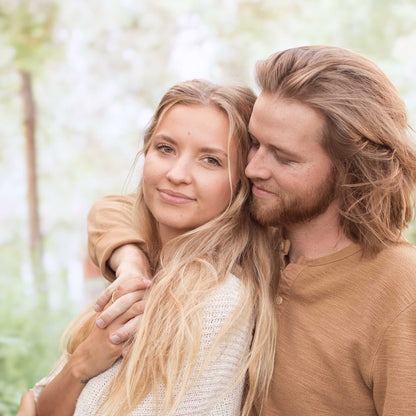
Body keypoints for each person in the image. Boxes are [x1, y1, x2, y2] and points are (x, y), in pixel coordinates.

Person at [87, 46, 416, 415]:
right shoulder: (258, 232)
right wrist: (130, 260)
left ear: (350, 170)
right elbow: (116, 208)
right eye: (255, 144)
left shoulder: (400, 288)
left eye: (284, 157)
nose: (253, 168)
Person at [31, 80, 278, 416]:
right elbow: (41, 405)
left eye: (210, 160)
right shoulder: (149, 271)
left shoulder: (218, 301)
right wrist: (82, 363)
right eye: (165, 149)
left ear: (241, 185)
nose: (177, 174)